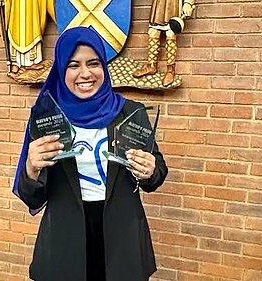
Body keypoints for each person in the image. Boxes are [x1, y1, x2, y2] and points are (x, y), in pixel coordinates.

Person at [13, 26, 168, 281]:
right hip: (65, 239)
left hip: (122, 238)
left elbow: (157, 174)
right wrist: (31, 168)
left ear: (104, 67)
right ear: (62, 71)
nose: (85, 73)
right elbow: (32, 197)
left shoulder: (130, 112)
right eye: (73, 65)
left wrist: (151, 170)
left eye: (93, 63)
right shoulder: (47, 117)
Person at [133, 0, 195, 86]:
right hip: (158, 4)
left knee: (170, 33)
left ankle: (170, 70)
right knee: (153, 31)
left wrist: (188, 3)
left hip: (173, 4)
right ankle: (151, 65)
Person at [5, 0, 55, 72]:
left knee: (32, 28)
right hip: (16, 6)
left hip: (32, 7)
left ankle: (32, 62)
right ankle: (16, 63)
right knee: (16, 28)